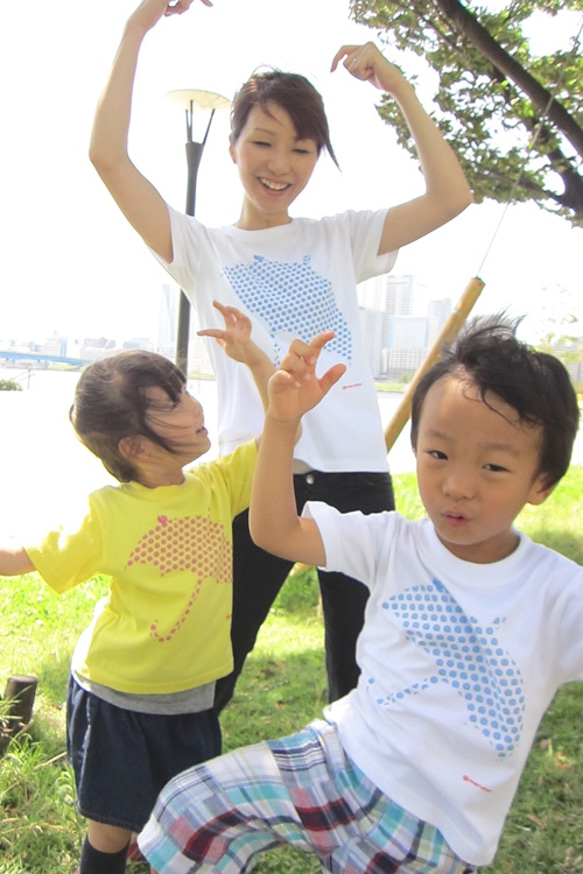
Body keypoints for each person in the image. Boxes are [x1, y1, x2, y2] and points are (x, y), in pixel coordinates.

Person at [89, 0, 474, 709]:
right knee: (212, 658)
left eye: (301, 150)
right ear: (233, 146)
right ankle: (169, 798)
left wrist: (398, 87)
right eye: (264, 142)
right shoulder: (201, 249)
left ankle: (353, 805)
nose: (281, 165)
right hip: (251, 474)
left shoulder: (339, 237)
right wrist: (137, 24)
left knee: (363, 674)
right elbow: (107, 159)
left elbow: (451, 196)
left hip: (356, 475)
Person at [137, 315, 582, 874]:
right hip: (339, 756)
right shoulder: (393, 540)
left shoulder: (559, 594)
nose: (457, 485)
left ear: (541, 482)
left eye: (493, 466)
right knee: (190, 809)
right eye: (437, 455)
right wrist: (280, 424)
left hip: (434, 828)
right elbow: (275, 531)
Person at [0, 302, 336, 874]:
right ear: (132, 446)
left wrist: (257, 359)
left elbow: (282, 426)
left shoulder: (214, 485)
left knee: (183, 823)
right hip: (118, 699)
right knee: (112, 829)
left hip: (193, 697)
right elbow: (20, 558)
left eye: (185, 390)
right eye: (174, 401)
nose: (197, 405)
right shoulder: (108, 513)